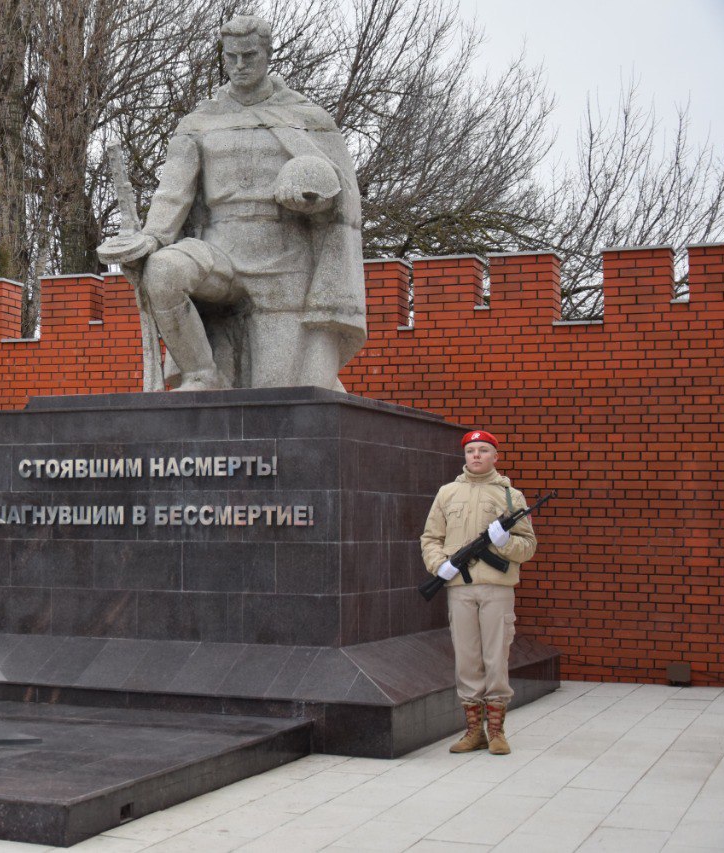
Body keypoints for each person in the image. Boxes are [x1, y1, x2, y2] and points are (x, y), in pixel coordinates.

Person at [97, 15, 365, 392]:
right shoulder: (201, 121)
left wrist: (312, 193)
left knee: (279, 395)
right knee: (163, 270)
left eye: (249, 56)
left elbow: (341, 197)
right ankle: (202, 374)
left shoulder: (307, 118)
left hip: (285, 262)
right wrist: (151, 239)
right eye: (231, 57)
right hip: (219, 249)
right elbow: (173, 192)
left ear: (268, 55)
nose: (239, 66)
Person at [420, 430, 537, 755]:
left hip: (497, 589)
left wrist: (505, 543)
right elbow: (430, 537)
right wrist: (438, 565)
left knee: (496, 658)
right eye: (471, 450)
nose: (476, 455)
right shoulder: (447, 493)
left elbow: (528, 547)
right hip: (460, 588)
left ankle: (497, 731)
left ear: (495, 457)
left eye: (483, 450)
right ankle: (474, 731)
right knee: (467, 660)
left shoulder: (511, 497)